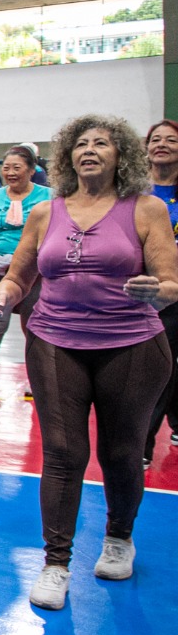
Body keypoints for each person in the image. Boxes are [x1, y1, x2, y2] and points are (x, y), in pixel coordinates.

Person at [0, 115, 178, 610]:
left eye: (102, 143)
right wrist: (3, 293)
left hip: (131, 345)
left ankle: (118, 537)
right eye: (81, 144)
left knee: (120, 451)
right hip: (55, 341)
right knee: (64, 455)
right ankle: (55, 563)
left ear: (122, 156)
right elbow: (20, 276)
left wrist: (159, 291)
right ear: (68, 155)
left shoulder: (147, 208)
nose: (89, 150)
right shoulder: (46, 212)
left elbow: (172, 281)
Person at [0, 147, 53, 402]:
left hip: (34, 272)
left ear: (31, 170)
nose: (10, 173)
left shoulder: (49, 197)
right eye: (6, 168)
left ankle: (39, 380)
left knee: (35, 326)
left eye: (17, 168)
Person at [145, 118, 178, 462]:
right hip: (153, 294)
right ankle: (143, 443)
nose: (162, 144)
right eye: (156, 139)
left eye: (171, 139)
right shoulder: (134, 194)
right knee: (157, 367)